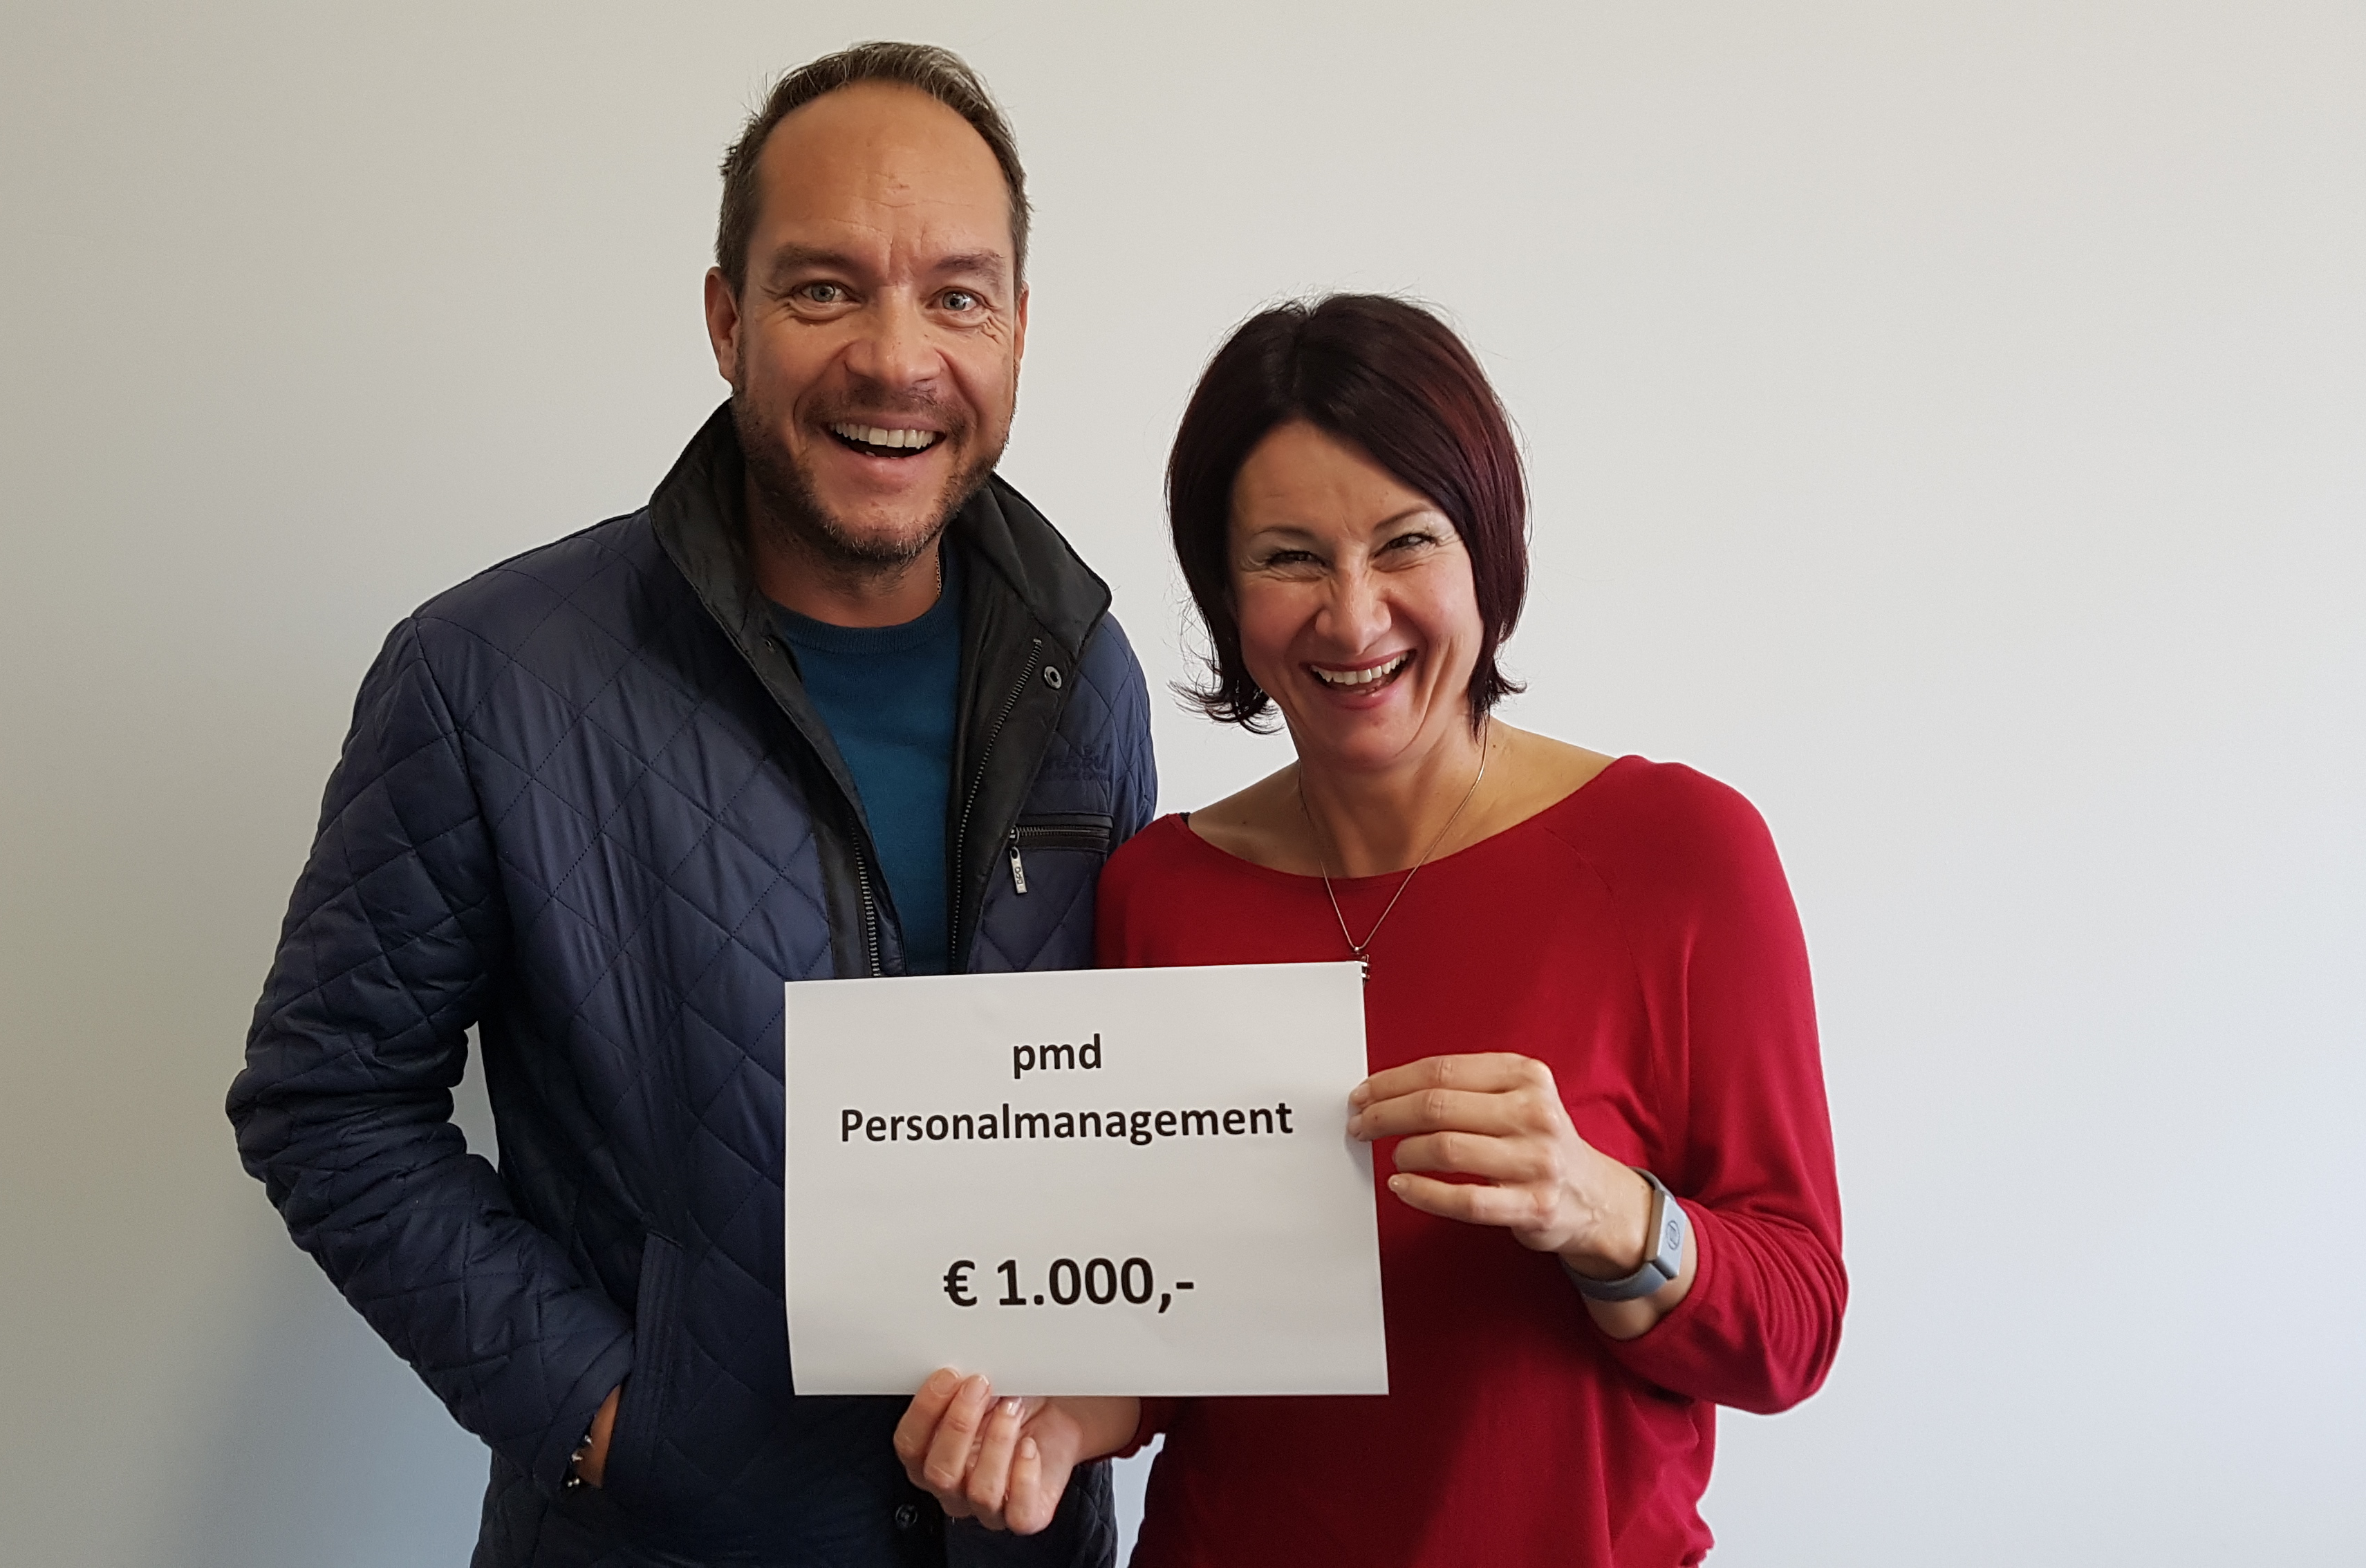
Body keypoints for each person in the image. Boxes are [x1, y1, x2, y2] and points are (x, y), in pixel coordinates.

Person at [228, 42, 1151, 1568]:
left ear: (1019, 330)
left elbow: (1116, 1102)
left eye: (957, 296)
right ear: (727, 319)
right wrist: (614, 1419)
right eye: (824, 289)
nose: (897, 358)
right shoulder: (484, 677)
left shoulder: (1085, 673)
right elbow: (326, 1104)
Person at [894, 295, 1844, 1565]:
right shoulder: (1160, 888)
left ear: (1486, 553)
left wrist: (1610, 1212)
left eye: (1407, 543)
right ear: (1225, 595)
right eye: (1289, 558)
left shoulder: (1679, 854)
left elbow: (1796, 1330)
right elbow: (1179, 1325)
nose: (1352, 618)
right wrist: (1058, 1427)